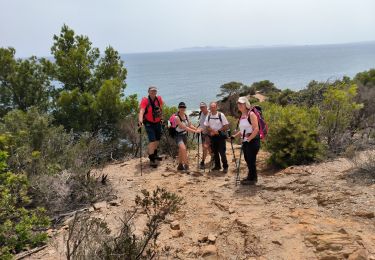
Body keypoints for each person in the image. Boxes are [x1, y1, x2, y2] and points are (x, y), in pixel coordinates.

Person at [231, 97, 260, 185]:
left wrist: (249, 139)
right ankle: (250, 177)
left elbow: (256, 129)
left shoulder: (251, 114)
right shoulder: (242, 116)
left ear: (246, 104)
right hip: (246, 141)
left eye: (241, 104)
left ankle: (253, 179)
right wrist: (234, 136)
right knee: (247, 159)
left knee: (251, 160)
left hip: (253, 141)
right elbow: (243, 130)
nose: (239, 105)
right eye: (238, 104)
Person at [138, 86, 164, 168]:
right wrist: (140, 121)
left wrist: (162, 118)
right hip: (149, 123)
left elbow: (161, 109)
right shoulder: (145, 100)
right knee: (152, 140)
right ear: (148, 92)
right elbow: (141, 112)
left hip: (158, 123)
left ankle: (155, 154)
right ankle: (151, 158)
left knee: (157, 140)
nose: (153, 92)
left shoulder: (159, 99)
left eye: (155, 91)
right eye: (152, 91)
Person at [174, 102, 201, 171]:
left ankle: (180, 166)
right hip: (178, 136)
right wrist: (195, 131)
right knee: (183, 149)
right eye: (181, 107)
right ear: (179, 108)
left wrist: (196, 129)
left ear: (185, 108)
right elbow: (184, 127)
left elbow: (189, 125)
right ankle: (186, 165)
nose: (182, 108)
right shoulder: (176, 117)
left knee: (181, 151)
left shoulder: (186, 116)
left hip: (184, 135)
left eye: (183, 107)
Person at [204, 102, 230, 173]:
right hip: (213, 136)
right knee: (215, 152)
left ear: (216, 107)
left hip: (220, 136)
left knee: (222, 152)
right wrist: (212, 131)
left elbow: (226, 126)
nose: (212, 109)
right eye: (211, 107)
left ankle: (225, 166)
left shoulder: (221, 115)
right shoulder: (209, 116)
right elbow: (206, 126)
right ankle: (217, 166)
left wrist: (217, 131)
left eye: (214, 107)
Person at [197, 102, 211, 169]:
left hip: (209, 134)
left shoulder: (210, 114)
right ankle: (205, 161)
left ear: (206, 107)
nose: (202, 108)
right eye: (201, 107)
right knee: (205, 148)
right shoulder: (201, 113)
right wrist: (198, 129)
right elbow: (201, 124)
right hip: (203, 133)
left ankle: (203, 162)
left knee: (206, 147)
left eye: (203, 107)